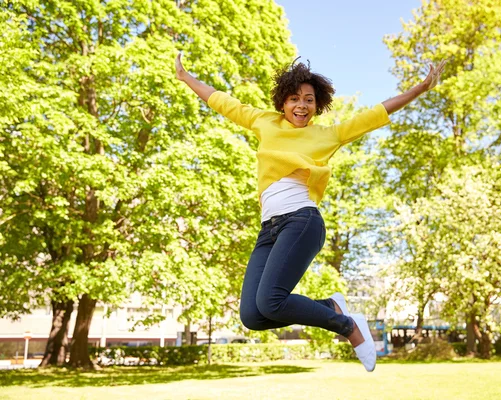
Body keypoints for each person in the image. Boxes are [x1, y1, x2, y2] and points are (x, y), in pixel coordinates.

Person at [175, 53, 446, 372]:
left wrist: (420, 88)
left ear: (318, 105)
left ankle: (348, 328)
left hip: (301, 221)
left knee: (272, 300)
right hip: (268, 231)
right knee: (253, 315)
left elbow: (375, 114)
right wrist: (186, 77)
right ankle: (331, 307)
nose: (301, 106)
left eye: (309, 100)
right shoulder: (264, 122)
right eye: (294, 99)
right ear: (282, 102)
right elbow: (222, 101)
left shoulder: (326, 135)